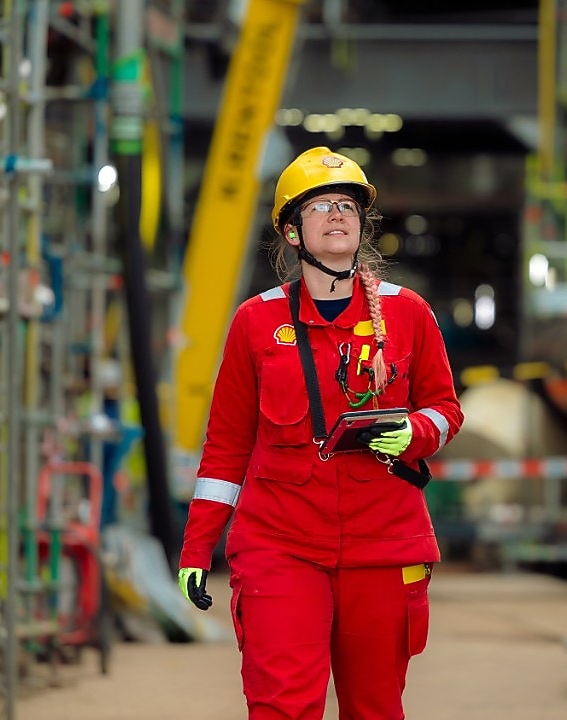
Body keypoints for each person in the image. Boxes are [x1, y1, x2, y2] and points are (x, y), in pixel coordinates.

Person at [176, 146, 464, 719]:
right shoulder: (255, 322)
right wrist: (196, 546)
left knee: (375, 709)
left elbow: (445, 409)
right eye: (320, 206)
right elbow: (226, 447)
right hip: (280, 545)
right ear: (291, 231)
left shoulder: (408, 314)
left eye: (348, 206)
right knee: (281, 708)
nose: (337, 215)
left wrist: (415, 432)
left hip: (384, 545)